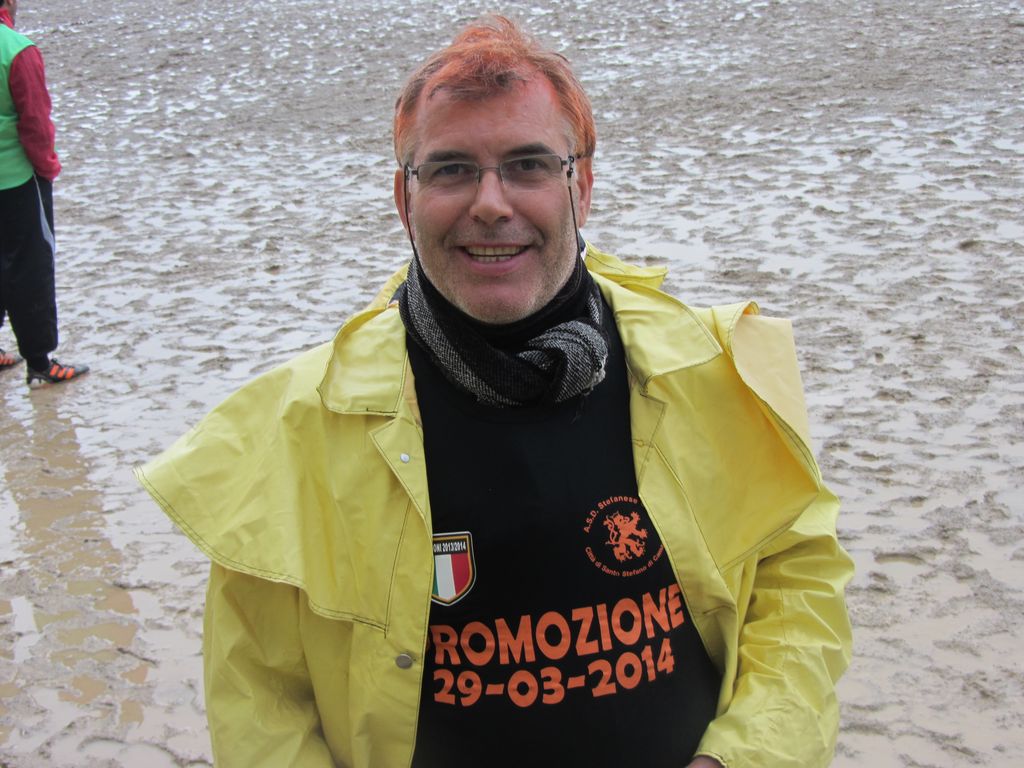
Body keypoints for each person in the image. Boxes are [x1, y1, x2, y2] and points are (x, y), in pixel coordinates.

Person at [137, 15, 853, 768]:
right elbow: (259, 702)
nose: (490, 203)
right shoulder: (297, 426)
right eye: (451, 169)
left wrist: (741, 759)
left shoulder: (712, 368)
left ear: (582, 186)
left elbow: (795, 584)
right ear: (403, 197)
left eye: (527, 165)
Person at [0, 0, 88, 386]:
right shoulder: (17, 49)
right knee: (30, 266)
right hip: (14, 178)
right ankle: (40, 363)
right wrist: (48, 168)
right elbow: (35, 121)